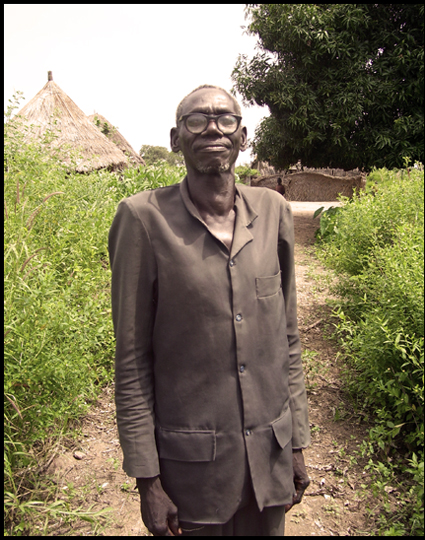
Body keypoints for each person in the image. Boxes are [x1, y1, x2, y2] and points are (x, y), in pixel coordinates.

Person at [108, 85, 311, 536]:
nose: (212, 129)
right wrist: (147, 480)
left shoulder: (273, 210)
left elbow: (288, 339)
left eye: (225, 119)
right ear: (176, 139)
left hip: (269, 458)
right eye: (196, 121)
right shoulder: (142, 219)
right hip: (192, 473)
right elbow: (132, 358)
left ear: (242, 137)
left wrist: (297, 442)